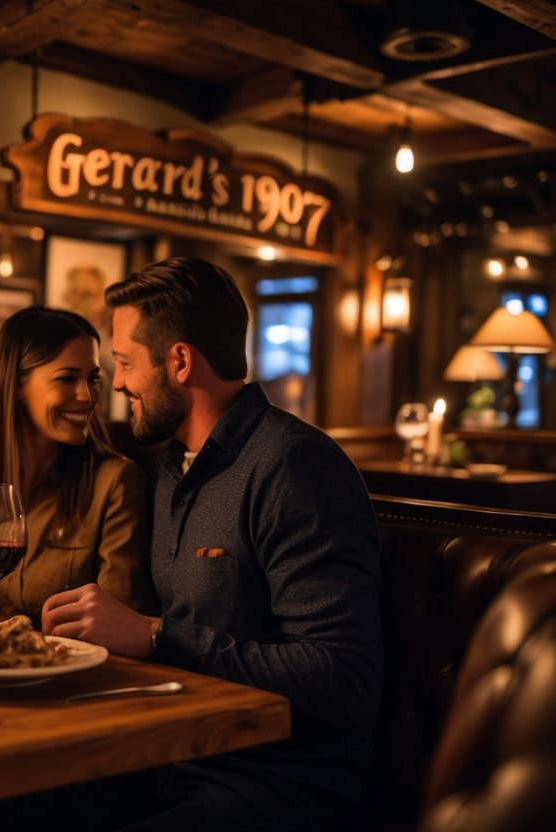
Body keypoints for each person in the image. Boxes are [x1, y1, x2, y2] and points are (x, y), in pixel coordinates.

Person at [41, 257, 384, 831]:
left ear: (179, 362)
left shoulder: (295, 467)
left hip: (280, 784)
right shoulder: (170, 467)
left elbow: (342, 677)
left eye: (124, 363)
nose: (118, 382)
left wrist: (154, 634)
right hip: (174, 757)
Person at [0, 306, 151, 627]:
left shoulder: (117, 484)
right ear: (16, 386)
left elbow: (114, 625)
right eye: (67, 378)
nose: (88, 396)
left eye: (93, 378)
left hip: (65, 671)